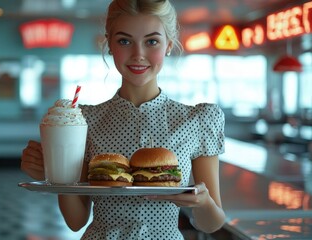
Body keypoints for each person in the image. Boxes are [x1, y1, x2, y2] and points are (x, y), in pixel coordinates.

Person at [21, 0, 226, 239]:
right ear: (109, 45)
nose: (138, 55)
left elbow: (212, 223)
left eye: (152, 41)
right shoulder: (84, 121)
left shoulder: (198, 120)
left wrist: (202, 202)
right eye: (124, 41)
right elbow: (76, 221)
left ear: (168, 45)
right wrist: (56, 175)